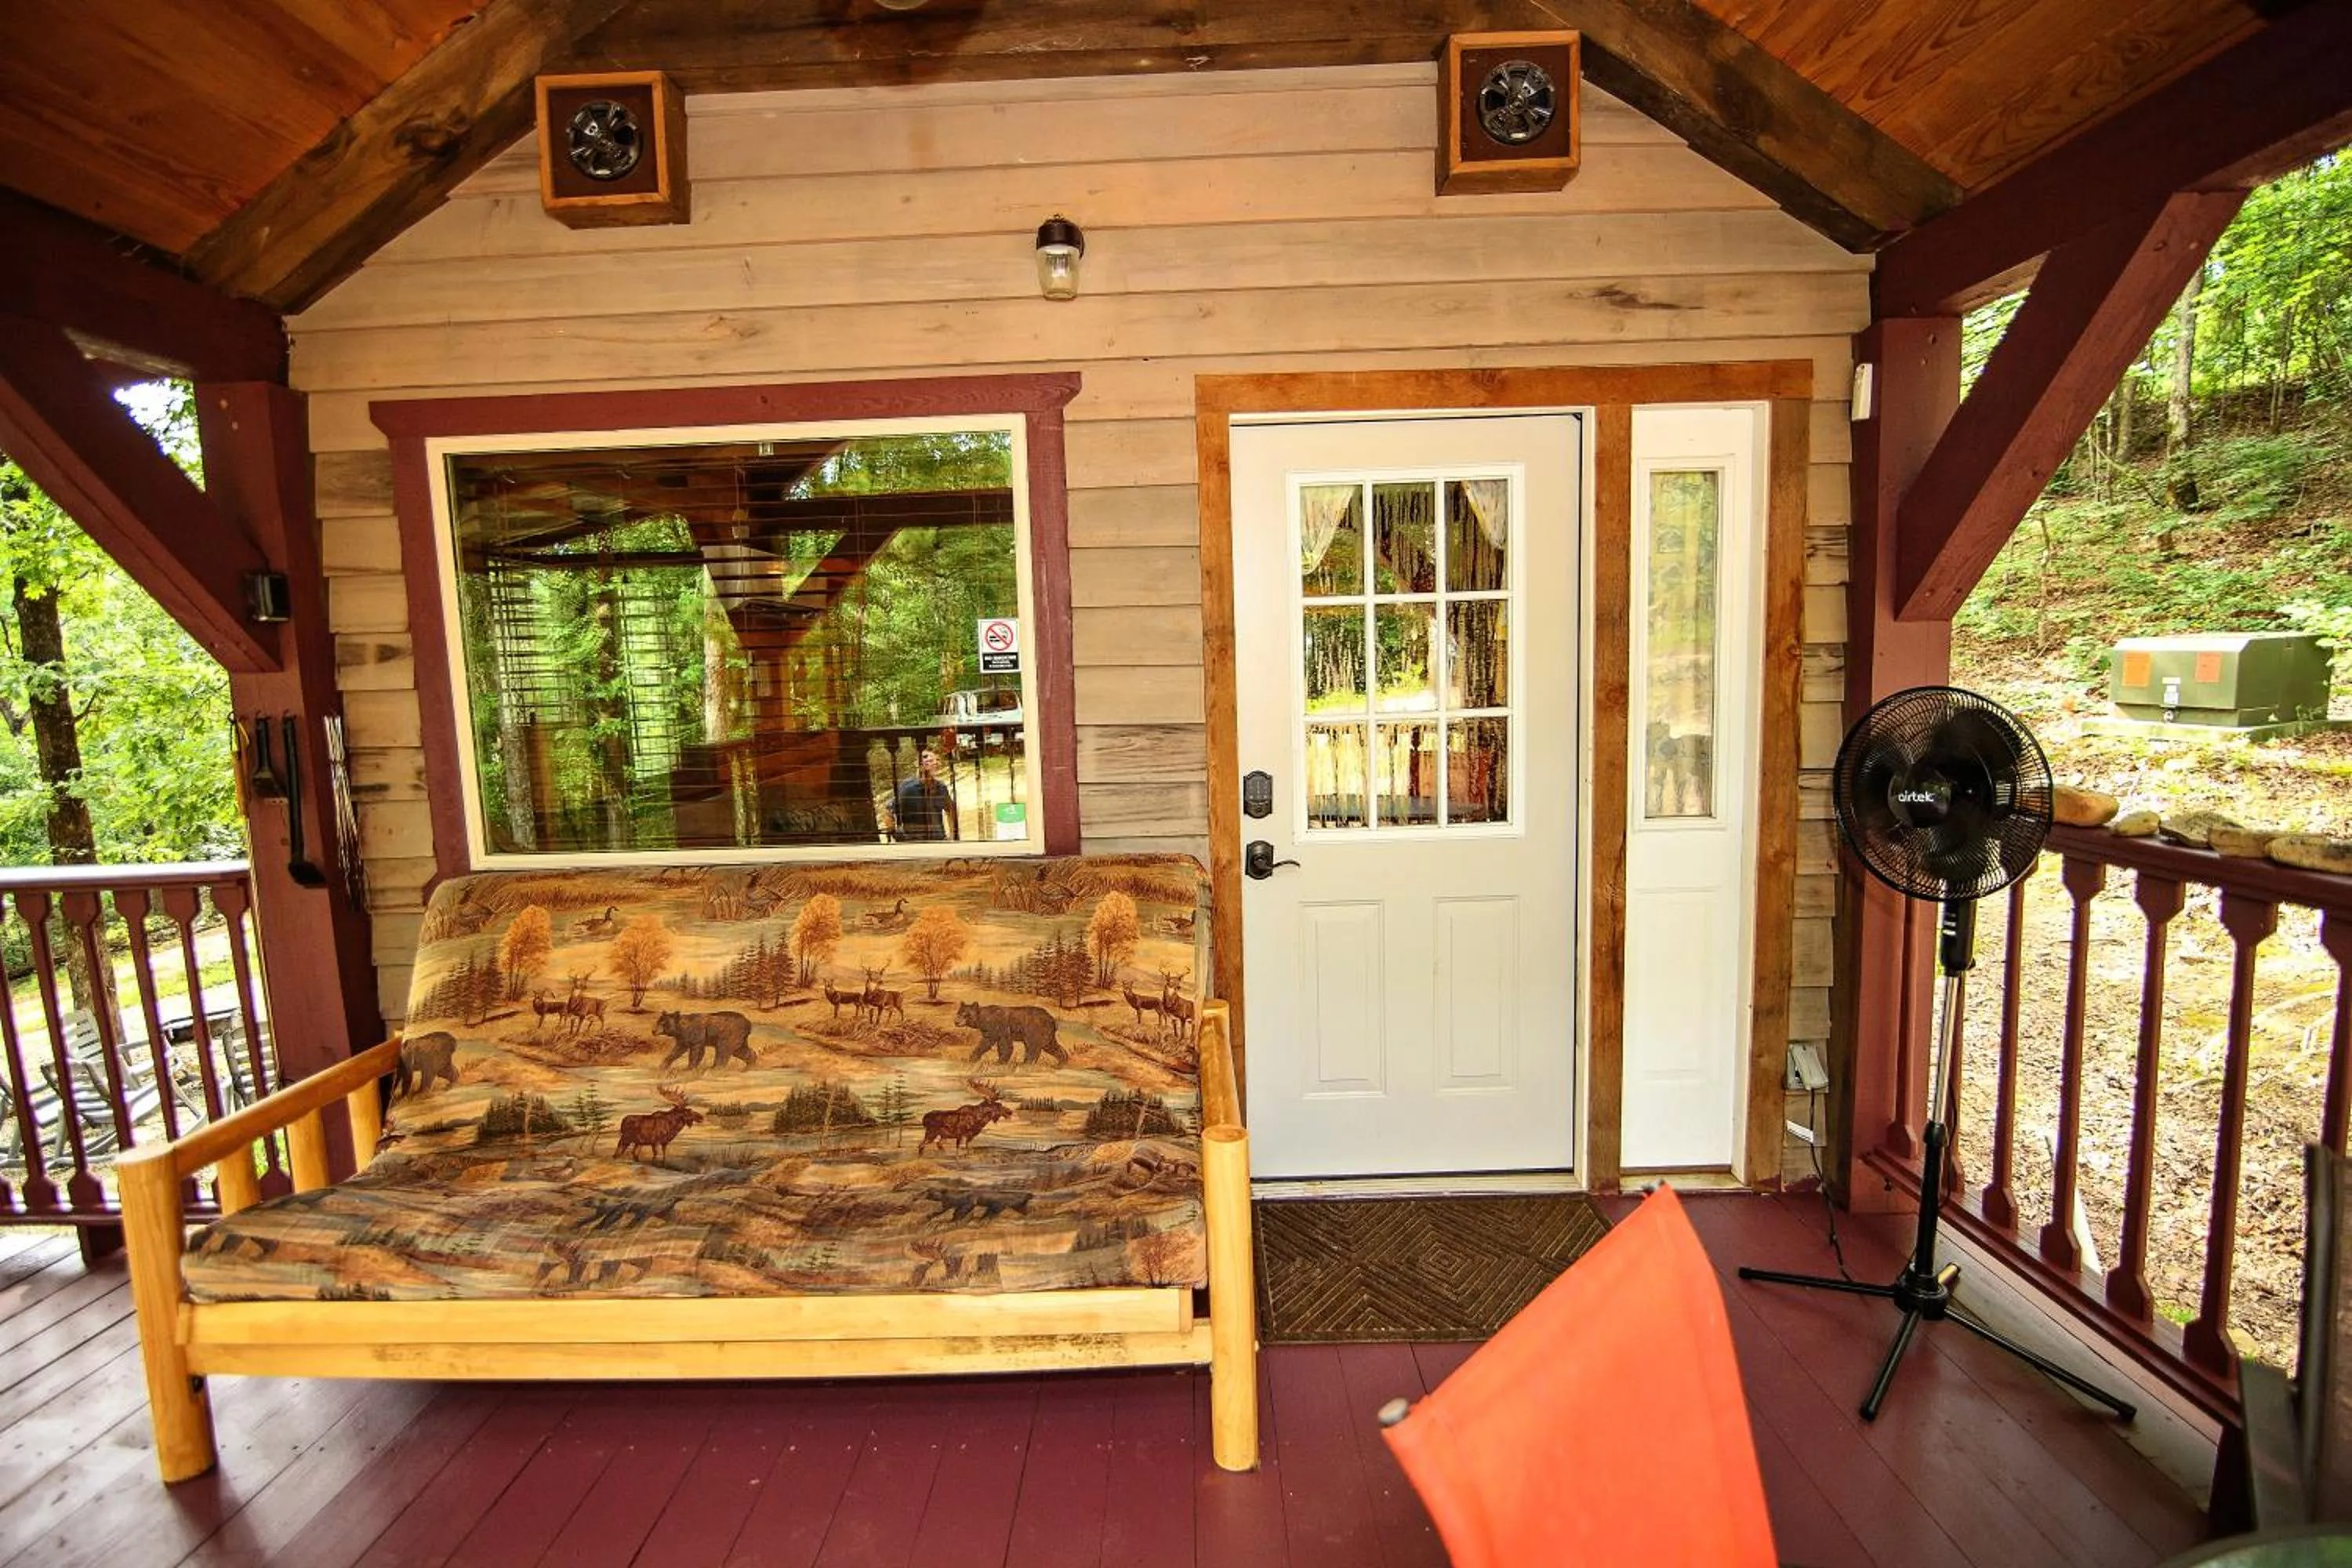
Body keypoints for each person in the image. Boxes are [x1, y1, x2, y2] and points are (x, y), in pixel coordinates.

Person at [891, 748, 960, 842]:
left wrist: (952, 837)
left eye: (937, 760)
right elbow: (889, 812)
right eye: (929, 760)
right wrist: (898, 837)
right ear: (918, 764)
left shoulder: (940, 788)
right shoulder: (908, 788)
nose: (934, 763)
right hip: (915, 843)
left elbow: (951, 810)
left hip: (938, 842)